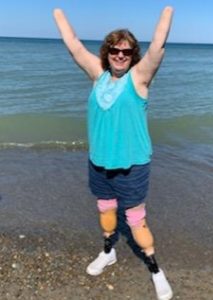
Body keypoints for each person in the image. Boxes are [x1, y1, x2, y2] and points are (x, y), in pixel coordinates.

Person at [54, 6, 174, 300]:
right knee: (106, 211)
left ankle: (155, 269)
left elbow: (157, 47)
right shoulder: (98, 77)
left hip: (132, 165)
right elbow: (74, 45)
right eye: (115, 51)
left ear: (134, 55)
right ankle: (108, 253)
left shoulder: (139, 80)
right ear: (106, 53)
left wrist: (168, 10)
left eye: (127, 51)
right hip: (99, 163)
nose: (120, 56)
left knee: (135, 220)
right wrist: (56, 10)